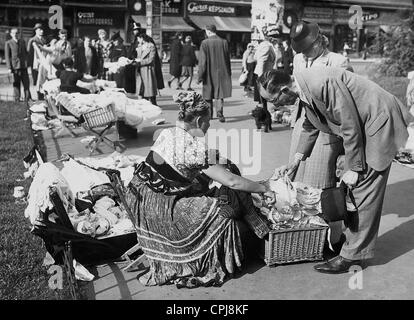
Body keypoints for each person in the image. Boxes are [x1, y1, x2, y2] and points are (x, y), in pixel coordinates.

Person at [258, 68, 413, 274]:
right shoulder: (304, 88)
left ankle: (352, 257)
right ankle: (352, 246)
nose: (276, 106)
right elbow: (310, 124)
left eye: (275, 101)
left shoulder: (320, 84)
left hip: (378, 125)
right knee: (350, 194)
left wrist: (355, 168)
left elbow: (350, 125)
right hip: (363, 127)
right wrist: (296, 161)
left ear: (284, 89)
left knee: (362, 192)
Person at [123, 91, 273, 288]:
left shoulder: (168, 133)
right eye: (208, 121)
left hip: (139, 200)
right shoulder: (193, 148)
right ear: (200, 120)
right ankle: (214, 254)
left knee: (214, 191)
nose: (209, 126)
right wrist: (263, 187)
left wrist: (216, 160)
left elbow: (179, 166)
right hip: (159, 210)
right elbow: (232, 181)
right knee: (222, 210)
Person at [198, 24, 232, 123]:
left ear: (208, 31)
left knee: (208, 94)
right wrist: (228, 72)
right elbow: (227, 59)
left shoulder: (204, 43)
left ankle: (209, 115)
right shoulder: (224, 42)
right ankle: (220, 113)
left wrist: (200, 76)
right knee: (219, 94)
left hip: (209, 73)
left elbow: (202, 62)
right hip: (222, 72)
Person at [253, 25, 283, 131]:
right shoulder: (266, 46)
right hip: (263, 77)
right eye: (277, 37)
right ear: (272, 37)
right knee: (263, 102)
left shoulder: (268, 46)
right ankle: (264, 122)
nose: (279, 39)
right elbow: (261, 62)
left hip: (265, 76)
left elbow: (255, 57)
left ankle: (265, 122)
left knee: (264, 102)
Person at [5, 27, 31, 102]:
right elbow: (7, 56)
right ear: (11, 34)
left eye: (17, 33)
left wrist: (27, 63)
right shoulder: (8, 43)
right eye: (13, 33)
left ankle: (27, 99)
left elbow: (25, 53)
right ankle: (17, 99)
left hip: (23, 66)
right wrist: (9, 67)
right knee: (16, 84)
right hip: (15, 67)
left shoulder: (22, 41)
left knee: (26, 83)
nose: (15, 34)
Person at [135, 33, 158, 105]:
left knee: (149, 88)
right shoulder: (140, 46)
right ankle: (144, 103)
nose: (138, 40)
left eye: (138, 38)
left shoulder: (151, 46)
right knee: (142, 88)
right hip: (141, 69)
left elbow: (151, 59)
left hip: (148, 69)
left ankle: (153, 103)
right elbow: (139, 57)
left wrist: (140, 62)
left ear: (142, 38)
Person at [27, 23, 47, 100]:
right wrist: (30, 64)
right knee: (36, 80)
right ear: (36, 31)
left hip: (43, 63)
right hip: (35, 64)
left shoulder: (44, 40)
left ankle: (42, 97)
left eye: (42, 29)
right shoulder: (32, 40)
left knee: (43, 79)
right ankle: (38, 97)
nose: (41, 31)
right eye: (39, 30)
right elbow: (29, 53)